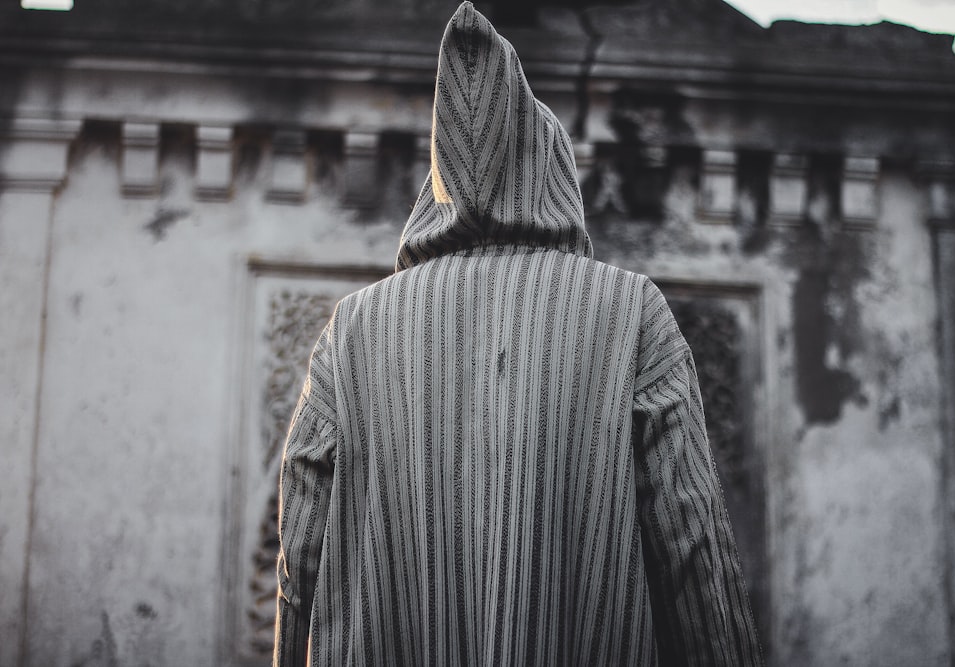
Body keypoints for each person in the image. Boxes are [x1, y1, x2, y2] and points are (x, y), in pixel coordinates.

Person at [273, 2, 763, 665]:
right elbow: (693, 548)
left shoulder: (354, 329)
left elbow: (299, 551)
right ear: (551, 173)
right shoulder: (630, 312)